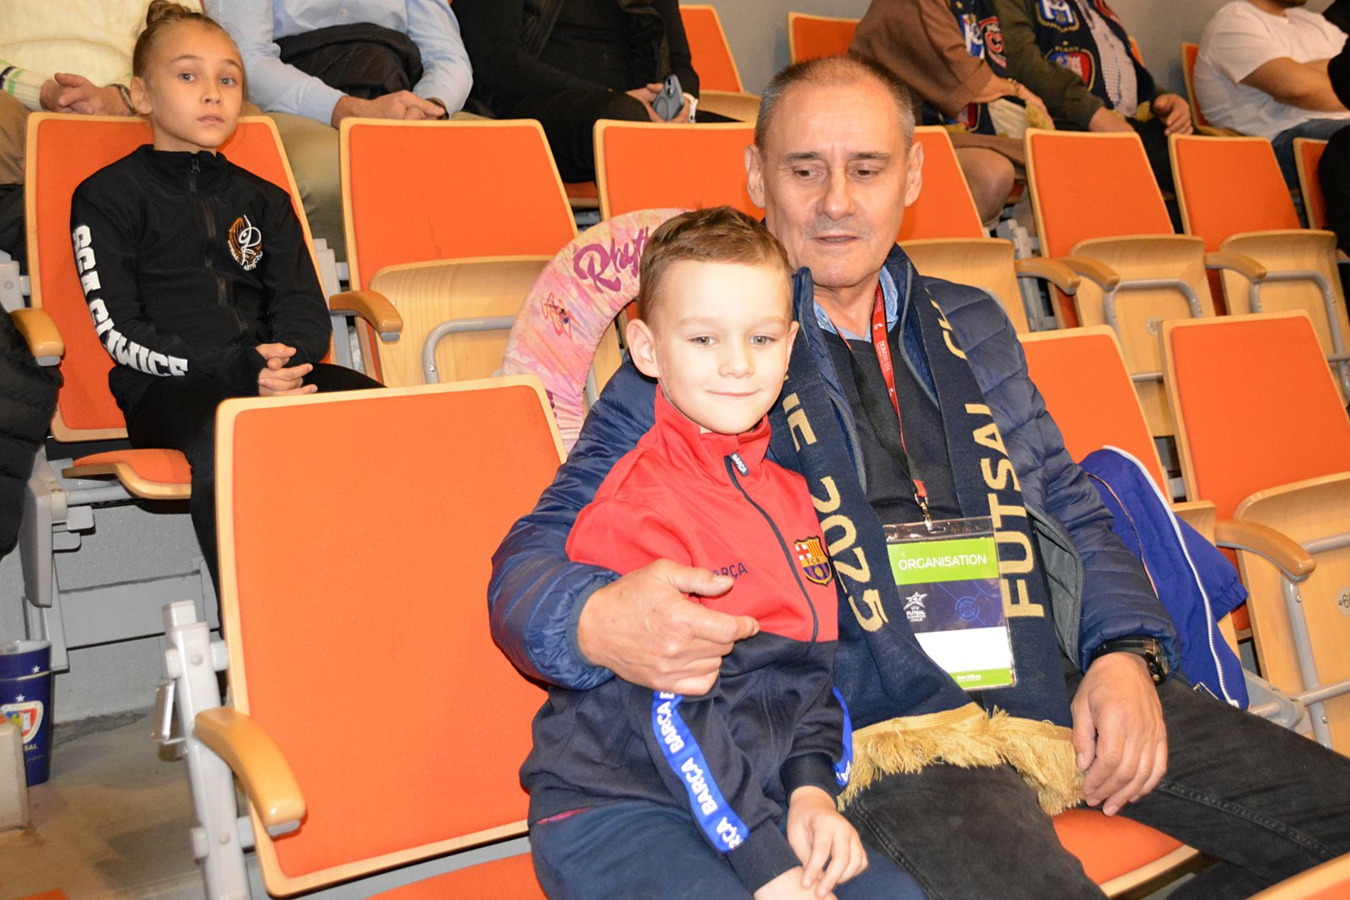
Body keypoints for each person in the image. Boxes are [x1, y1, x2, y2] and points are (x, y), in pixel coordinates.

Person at [489, 53, 1350, 898]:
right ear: (755, 176)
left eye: (867, 169)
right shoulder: (708, 360)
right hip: (879, 721)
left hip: (1039, 674)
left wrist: (1122, 653)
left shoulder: (973, 322)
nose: (836, 201)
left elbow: (1072, 507)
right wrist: (593, 619)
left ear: (912, 177)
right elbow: (530, 564)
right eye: (804, 169)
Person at [526, 206, 924, 900]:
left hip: (749, 793)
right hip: (620, 807)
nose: (738, 364)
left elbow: (811, 673)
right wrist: (766, 863)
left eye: (761, 338)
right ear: (647, 350)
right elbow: (674, 720)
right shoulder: (635, 512)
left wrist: (811, 792)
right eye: (704, 338)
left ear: (790, 345)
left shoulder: (798, 497)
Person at [69, 1, 381, 592]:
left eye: (229, 79)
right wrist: (234, 369)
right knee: (233, 437)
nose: (213, 93)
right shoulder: (106, 196)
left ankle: (371, 595)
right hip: (169, 389)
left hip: (273, 373)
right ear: (141, 95)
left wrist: (283, 361)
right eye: (188, 75)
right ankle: (252, 621)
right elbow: (119, 331)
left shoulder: (265, 199)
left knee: (389, 416)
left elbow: (301, 306)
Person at [205, 0, 473, 260]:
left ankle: (446, 283)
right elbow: (244, 59)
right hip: (290, 95)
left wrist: (428, 107)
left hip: (397, 91)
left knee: (480, 161)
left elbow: (447, 56)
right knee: (332, 173)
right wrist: (345, 108)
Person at [0, 1, 206, 266]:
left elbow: (190, 40)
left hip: (136, 100)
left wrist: (124, 96)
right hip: (17, 102)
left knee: (235, 116)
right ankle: (59, 261)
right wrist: (42, 91)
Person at [453, 0, 711, 184]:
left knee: (730, 135)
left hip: (639, 110)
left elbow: (680, 62)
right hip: (537, 107)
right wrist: (612, 95)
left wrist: (683, 104)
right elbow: (498, 60)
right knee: (621, 117)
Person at [851, 0, 1051, 223]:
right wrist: (1018, 91)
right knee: (993, 171)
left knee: (1049, 161)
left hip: (952, 130)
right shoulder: (912, 4)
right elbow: (965, 78)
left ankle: (1023, 242)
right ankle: (954, 244)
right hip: (901, 133)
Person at [993, 0, 1192, 191]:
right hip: (1068, 125)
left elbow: (1122, 71)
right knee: (1194, 178)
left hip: (1129, 125)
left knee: (1200, 163)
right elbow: (1021, 62)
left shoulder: (1094, 6)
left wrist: (1163, 99)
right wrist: (1093, 114)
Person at [1195, 0, 1350, 185]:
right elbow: (1298, 90)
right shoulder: (1234, 22)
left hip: (1332, 131)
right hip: (1275, 144)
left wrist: (1305, 71)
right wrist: (1335, 72)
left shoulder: (1314, 23)